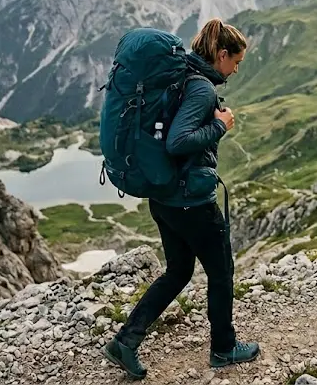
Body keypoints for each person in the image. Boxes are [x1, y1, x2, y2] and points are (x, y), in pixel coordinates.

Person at [103, 19, 259, 380]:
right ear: (221, 55)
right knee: (221, 273)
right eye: (235, 62)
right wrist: (221, 125)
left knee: (179, 270)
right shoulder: (201, 88)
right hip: (192, 202)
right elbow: (177, 141)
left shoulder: (179, 76)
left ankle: (125, 341)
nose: (235, 70)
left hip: (164, 198)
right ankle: (224, 348)